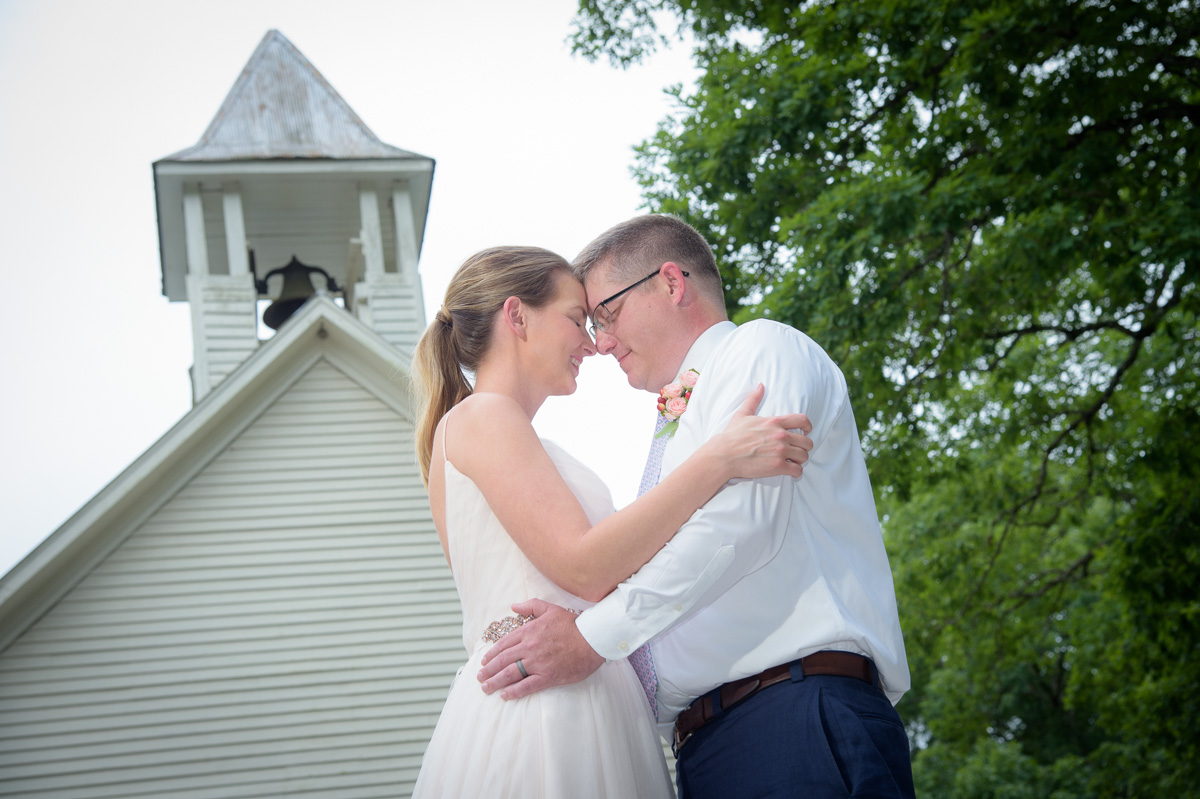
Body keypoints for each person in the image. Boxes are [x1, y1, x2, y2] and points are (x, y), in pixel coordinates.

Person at [478, 216, 915, 798]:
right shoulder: (673, 420)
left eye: (606, 314)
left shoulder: (762, 348)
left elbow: (741, 525)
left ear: (671, 282)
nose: (600, 342)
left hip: (796, 715)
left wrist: (591, 638)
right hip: (707, 747)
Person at [408, 246, 814, 798]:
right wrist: (717, 459)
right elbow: (586, 565)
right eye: (577, 319)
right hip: (548, 713)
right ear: (517, 316)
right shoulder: (484, 416)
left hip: (579, 692)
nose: (593, 344)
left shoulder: (508, 436)